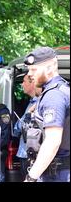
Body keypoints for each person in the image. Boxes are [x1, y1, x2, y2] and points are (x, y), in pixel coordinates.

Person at [23, 47, 70, 182]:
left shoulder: (53, 95)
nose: (30, 74)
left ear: (49, 68)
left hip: (58, 174)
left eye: (34, 69)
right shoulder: (61, 90)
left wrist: (31, 177)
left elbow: (52, 141)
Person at [13, 75, 41, 178]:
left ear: (32, 83)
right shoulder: (31, 102)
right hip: (25, 152)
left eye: (24, 81)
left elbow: (20, 126)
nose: (22, 84)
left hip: (30, 154)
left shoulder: (38, 103)